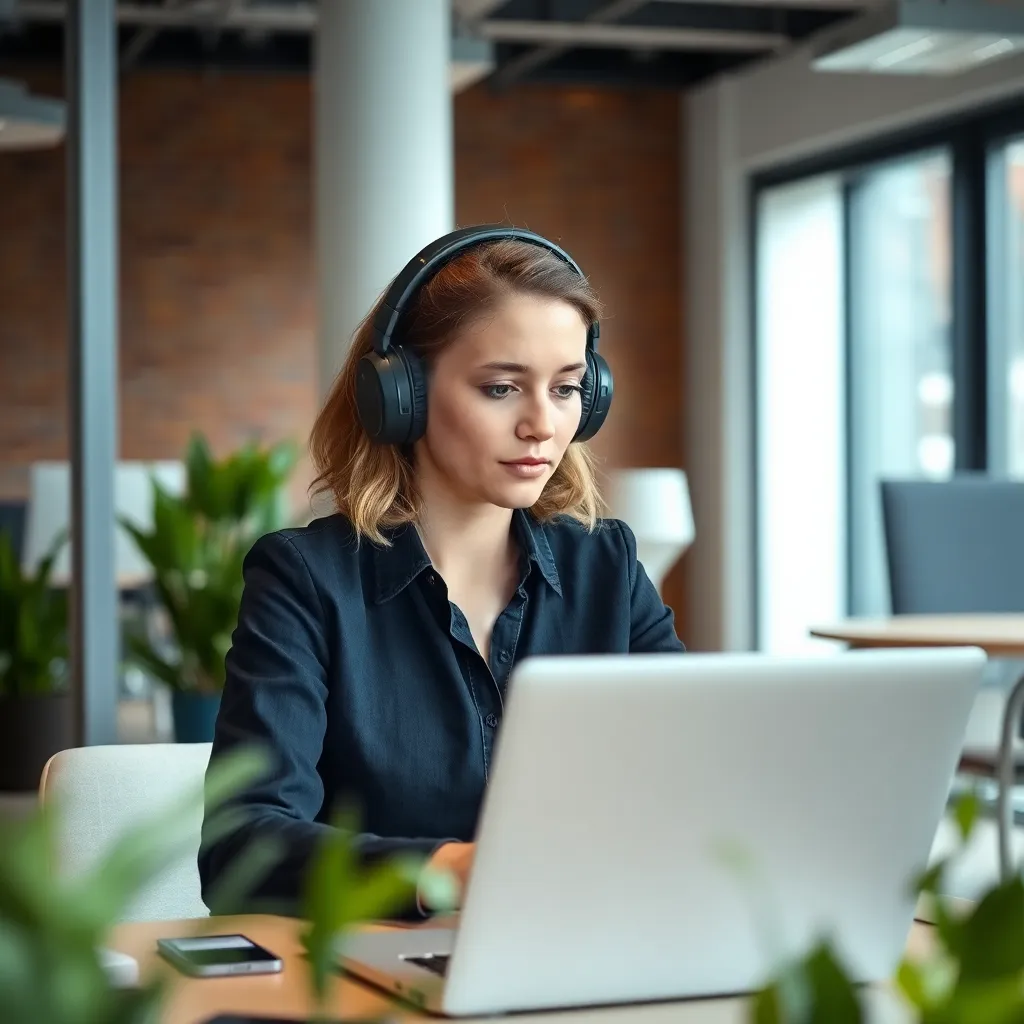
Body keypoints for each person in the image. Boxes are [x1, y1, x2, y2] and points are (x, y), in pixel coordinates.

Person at [198, 226, 685, 920]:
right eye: (500, 388)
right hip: (375, 976)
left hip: (587, 942)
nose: (543, 425)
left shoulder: (605, 566)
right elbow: (242, 851)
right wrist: (455, 868)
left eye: (568, 388)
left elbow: (690, 778)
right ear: (403, 395)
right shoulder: (305, 580)